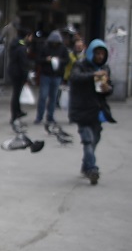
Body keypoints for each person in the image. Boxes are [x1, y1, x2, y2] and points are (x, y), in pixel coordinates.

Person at [68, 39, 116, 185]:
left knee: (95, 140)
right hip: (82, 110)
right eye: (98, 53)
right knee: (87, 140)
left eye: (102, 54)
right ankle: (92, 169)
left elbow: (106, 89)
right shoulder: (80, 65)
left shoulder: (105, 68)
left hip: (97, 111)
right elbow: (75, 78)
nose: (100, 57)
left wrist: (108, 89)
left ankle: (86, 165)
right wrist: (93, 75)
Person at [35, 30, 69, 124]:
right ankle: (39, 116)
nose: (54, 44)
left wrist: (59, 61)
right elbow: (38, 59)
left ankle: (50, 116)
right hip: (45, 75)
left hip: (57, 76)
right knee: (43, 96)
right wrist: (46, 60)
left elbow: (67, 60)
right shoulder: (45, 48)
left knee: (53, 97)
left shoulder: (62, 48)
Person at [7, 27, 35, 124]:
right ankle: (15, 115)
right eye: (31, 36)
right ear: (27, 36)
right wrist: (26, 77)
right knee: (16, 94)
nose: (31, 39)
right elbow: (23, 64)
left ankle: (17, 112)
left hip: (13, 71)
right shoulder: (22, 47)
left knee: (16, 94)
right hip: (18, 73)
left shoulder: (15, 44)